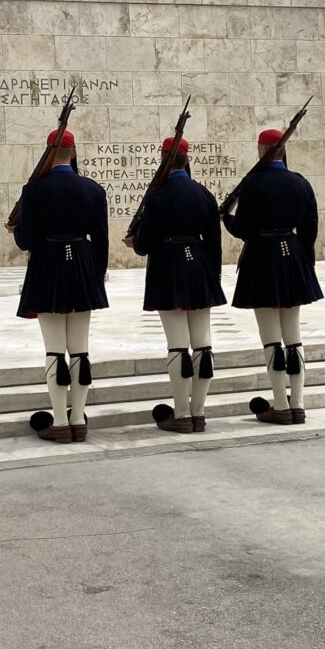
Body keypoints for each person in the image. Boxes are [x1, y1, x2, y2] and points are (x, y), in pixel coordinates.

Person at [8, 129, 108, 444]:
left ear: (49, 153)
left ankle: (61, 422)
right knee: (80, 349)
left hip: (48, 264)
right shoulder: (93, 189)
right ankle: (78, 419)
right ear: (74, 151)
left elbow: (26, 240)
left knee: (54, 349)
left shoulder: (34, 190)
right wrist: (96, 276)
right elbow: (102, 240)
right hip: (82, 263)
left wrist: (14, 229)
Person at [222, 129, 323, 425]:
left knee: (271, 339)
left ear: (261, 150)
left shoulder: (253, 183)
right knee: (293, 337)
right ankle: (298, 403)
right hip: (293, 256)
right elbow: (309, 229)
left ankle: (280, 404)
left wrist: (226, 219)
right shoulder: (300, 182)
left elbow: (244, 229)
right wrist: (305, 264)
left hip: (262, 258)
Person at [127, 137, 225, 434]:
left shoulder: (158, 197)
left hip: (169, 267)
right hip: (200, 266)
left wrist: (134, 243)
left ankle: (182, 413)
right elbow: (215, 242)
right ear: (187, 159)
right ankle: (199, 412)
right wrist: (213, 277)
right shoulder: (204, 194)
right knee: (203, 344)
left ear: (163, 160)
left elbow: (146, 243)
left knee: (178, 345)